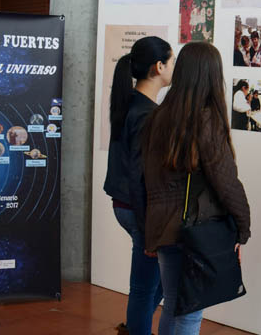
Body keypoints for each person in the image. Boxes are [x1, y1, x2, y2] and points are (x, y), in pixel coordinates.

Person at [141, 42, 251, 335]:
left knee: (175, 306)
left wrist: (149, 231)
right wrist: (243, 228)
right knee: (188, 314)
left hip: (165, 229)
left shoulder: (158, 117)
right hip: (194, 231)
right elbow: (226, 181)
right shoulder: (207, 119)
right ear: (212, 76)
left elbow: (145, 180)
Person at [104, 36, 174, 335]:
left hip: (124, 204)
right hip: (137, 209)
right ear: (159, 67)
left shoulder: (131, 102)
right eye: (171, 62)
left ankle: (134, 326)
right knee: (145, 288)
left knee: (154, 285)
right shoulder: (146, 114)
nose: (173, 68)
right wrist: (149, 229)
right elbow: (138, 175)